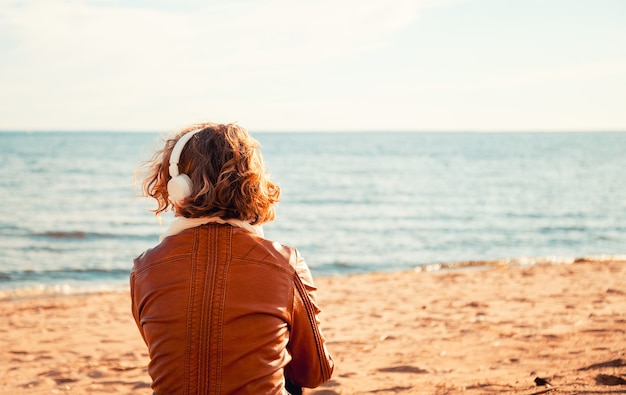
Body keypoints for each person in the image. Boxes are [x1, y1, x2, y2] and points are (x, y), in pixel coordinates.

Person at [130, 122, 334, 394]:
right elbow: (315, 372)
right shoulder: (284, 263)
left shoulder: (145, 268)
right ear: (253, 184)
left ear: (178, 185)